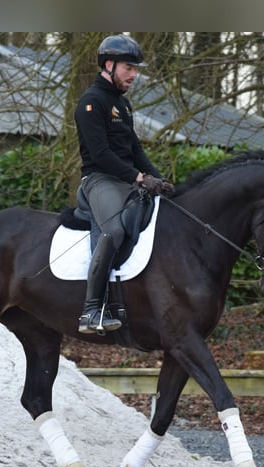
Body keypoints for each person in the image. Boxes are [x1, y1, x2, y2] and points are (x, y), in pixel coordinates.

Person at [74, 34, 174, 335]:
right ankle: (91, 309)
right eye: (128, 68)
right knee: (114, 229)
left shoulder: (123, 105)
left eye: (135, 69)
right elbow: (101, 154)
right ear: (108, 65)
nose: (134, 75)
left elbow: (135, 152)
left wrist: (161, 180)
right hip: (99, 180)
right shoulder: (91, 103)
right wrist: (139, 178)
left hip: (126, 181)